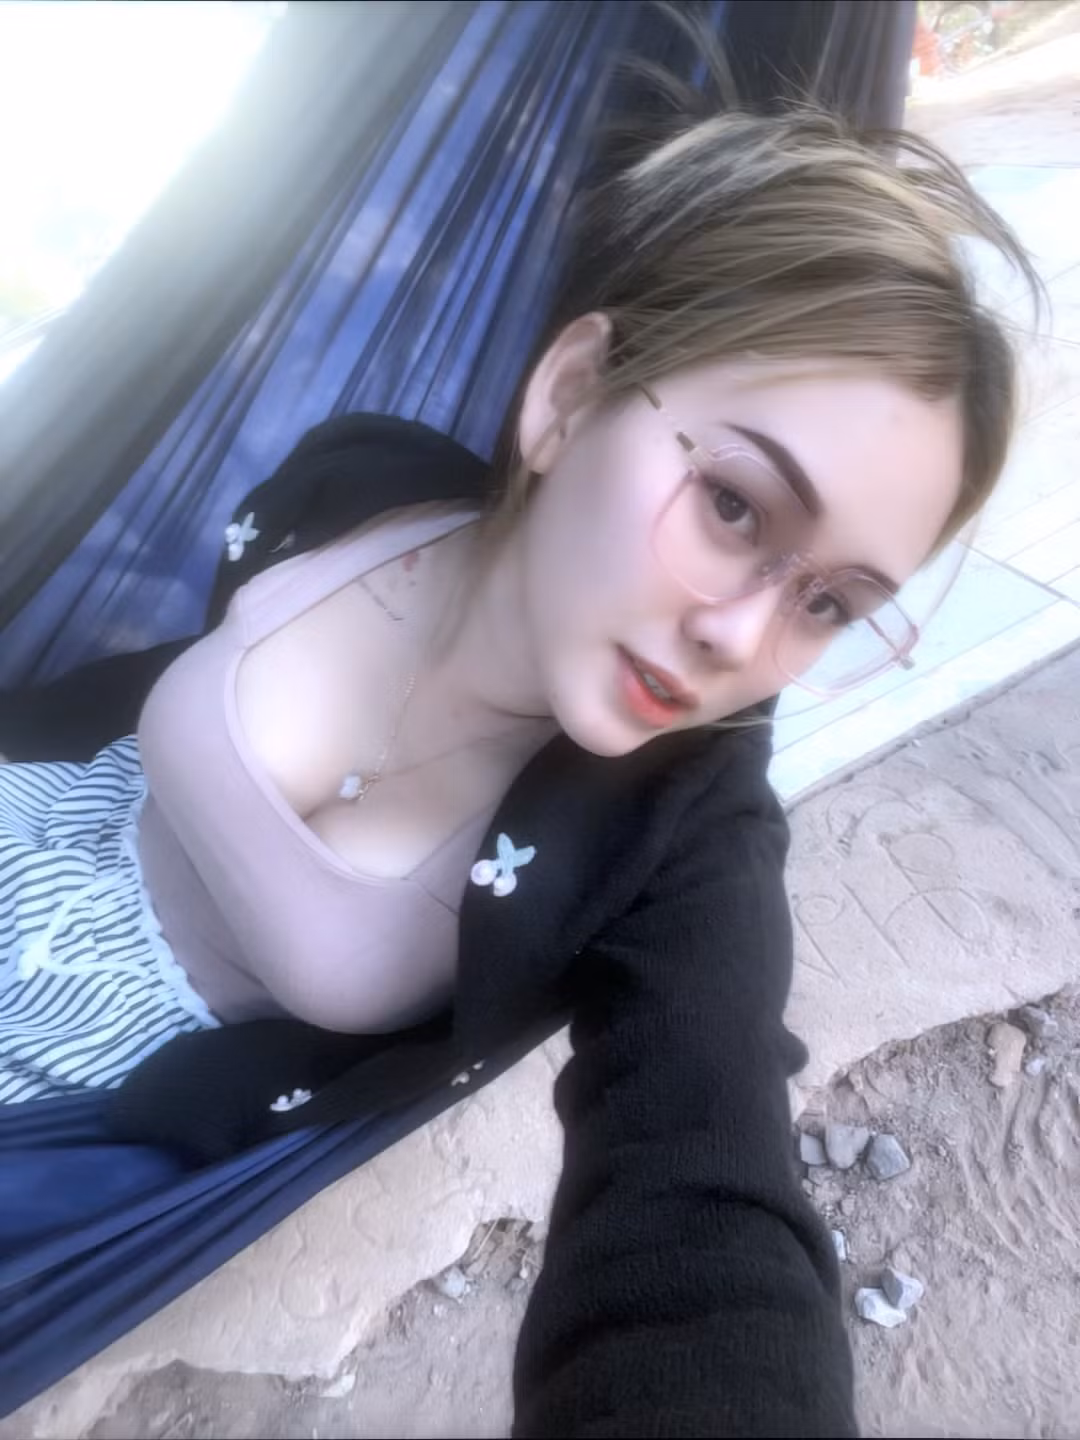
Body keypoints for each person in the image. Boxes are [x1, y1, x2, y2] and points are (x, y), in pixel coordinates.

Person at [0, 87, 1036, 1435]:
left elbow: (704, 1186)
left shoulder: (674, 837)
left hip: (67, 1106)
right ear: (569, 396)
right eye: (734, 504)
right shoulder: (350, 486)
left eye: (830, 603)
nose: (741, 637)